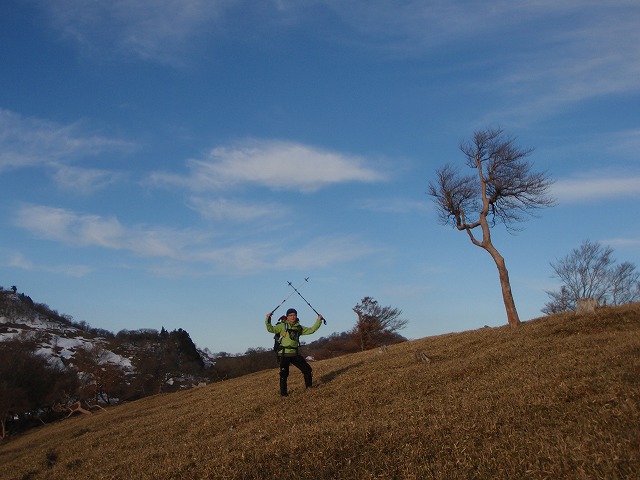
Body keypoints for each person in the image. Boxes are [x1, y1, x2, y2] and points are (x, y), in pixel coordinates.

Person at [265, 307, 323, 396]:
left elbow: (311, 330)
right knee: (284, 374)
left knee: (307, 369)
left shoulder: (298, 328)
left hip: (294, 353)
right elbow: (271, 329)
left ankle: (309, 388)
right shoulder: (282, 326)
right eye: (290, 315)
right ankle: (284, 394)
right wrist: (268, 319)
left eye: (294, 315)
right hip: (283, 354)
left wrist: (319, 320)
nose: (292, 317)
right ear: (287, 317)